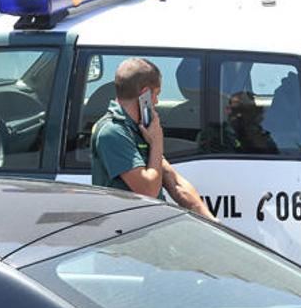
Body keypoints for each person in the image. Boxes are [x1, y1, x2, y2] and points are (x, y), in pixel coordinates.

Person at [91, 57, 214, 220]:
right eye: (156, 95)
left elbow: (175, 182)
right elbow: (148, 190)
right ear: (145, 94)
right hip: (125, 235)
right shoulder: (113, 131)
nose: (156, 102)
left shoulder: (140, 127)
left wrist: (210, 219)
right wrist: (156, 143)